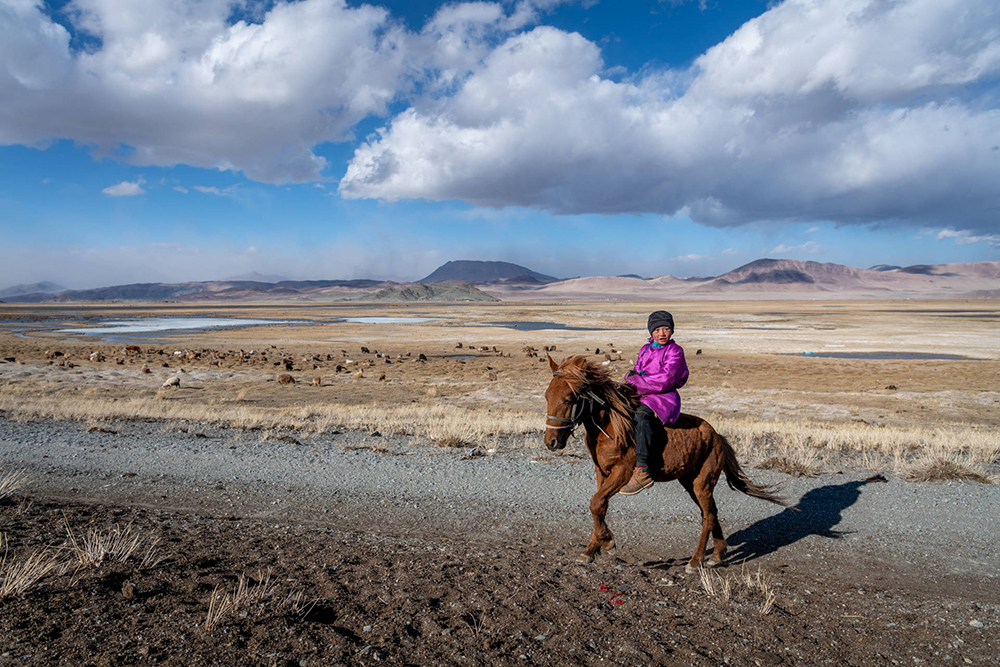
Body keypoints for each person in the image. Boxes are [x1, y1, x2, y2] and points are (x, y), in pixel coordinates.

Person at [619, 310, 689, 496]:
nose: (662, 333)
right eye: (657, 329)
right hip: (643, 393)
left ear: (672, 331)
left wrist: (636, 382)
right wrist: (629, 377)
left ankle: (642, 470)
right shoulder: (645, 348)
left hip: (663, 398)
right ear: (651, 332)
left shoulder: (675, 351)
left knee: (642, 416)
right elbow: (638, 370)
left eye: (666, 329)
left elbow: (666, 379)